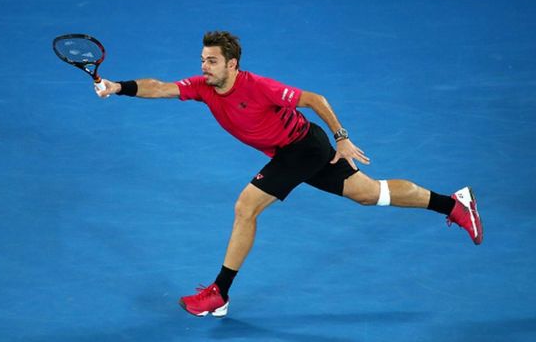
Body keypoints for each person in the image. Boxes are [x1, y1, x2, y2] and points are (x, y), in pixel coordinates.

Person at [94, 31, 483, 318]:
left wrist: (342, 138)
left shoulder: (258, 86)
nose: (203, 67)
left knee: (246, 207)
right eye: (202, 60)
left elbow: (315, 100)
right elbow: (159, 88)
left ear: (232, 64)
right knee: (369, 194)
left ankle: (219, 293)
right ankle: (453, 204)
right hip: (292, 151)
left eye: (211, 61)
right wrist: (116, 86)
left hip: (305, 147)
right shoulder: (202, 88)